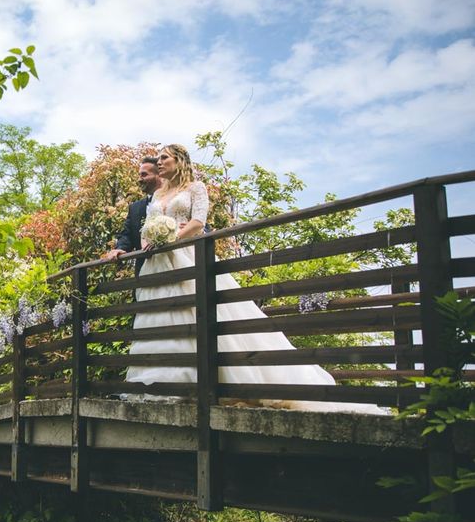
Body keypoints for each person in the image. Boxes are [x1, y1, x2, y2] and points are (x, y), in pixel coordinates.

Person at [118, 144, 387, 414]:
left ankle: (212, 384)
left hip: (186, 256)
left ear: (180, 160)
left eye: (165, 157)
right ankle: (158, 386)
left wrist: (172, 239)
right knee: (159, 319)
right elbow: (145, 227)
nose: (160, 162)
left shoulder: (196, 188)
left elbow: (199, 223)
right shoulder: (159, 193)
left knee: (198, 314)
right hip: (157, 264)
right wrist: (150, 241)